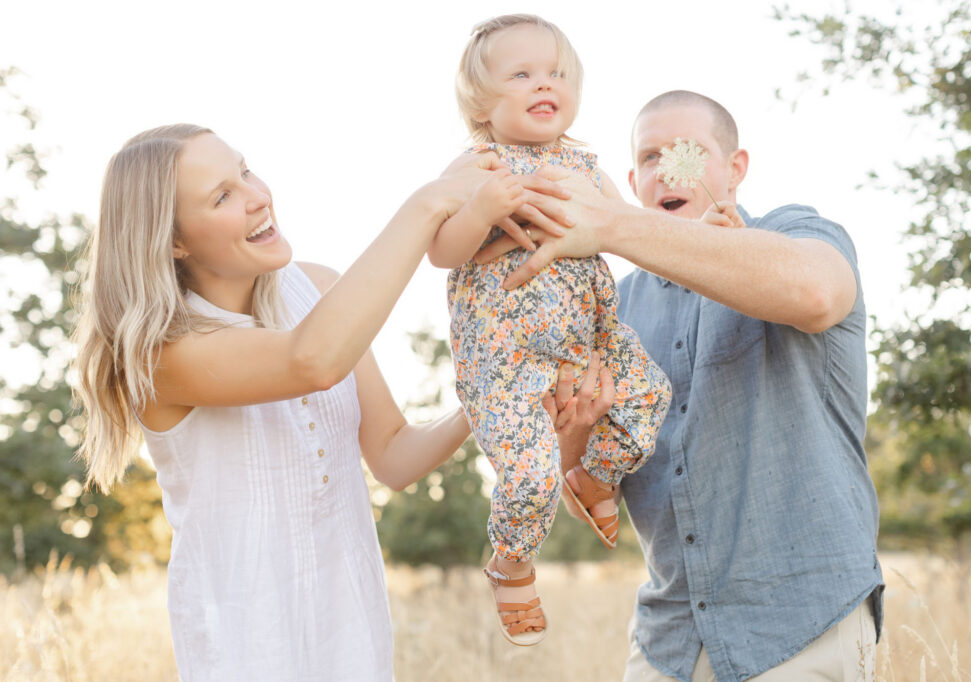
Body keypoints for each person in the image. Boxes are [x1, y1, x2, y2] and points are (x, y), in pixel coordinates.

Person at [71, 124, 570, 680]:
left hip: (352, 631)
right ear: (174, 241)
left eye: (244, 170)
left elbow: (393, 456)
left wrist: (493, 403)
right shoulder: (161, 354)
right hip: (248, 647)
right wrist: (427, 204)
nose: (258, 195)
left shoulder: (319, 290)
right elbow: (311, 361)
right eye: (222, 196)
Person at [486, 90, 884, 680]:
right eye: (649, 158)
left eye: (687, 152)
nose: (666, 169)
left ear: (736, 168)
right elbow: (588, 495)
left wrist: (616, 225)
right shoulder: (612, 310)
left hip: (802, 625)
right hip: (668, 639)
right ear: (631, 179)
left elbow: (818, 294)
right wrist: (575, 434)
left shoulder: (796, 232)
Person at [431, 14, 672, 646]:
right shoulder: (477, 166)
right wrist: (481, 210)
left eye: (558, 72)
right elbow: (442, 251)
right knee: (530, 471)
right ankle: (511, 558)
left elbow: (635, 228)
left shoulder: (585, 163)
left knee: (650, 394)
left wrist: (706, 233)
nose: (546, 83)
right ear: (481, 104)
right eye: (523, 74)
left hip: (587, 335)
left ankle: (597, 474)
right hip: (506, 352)